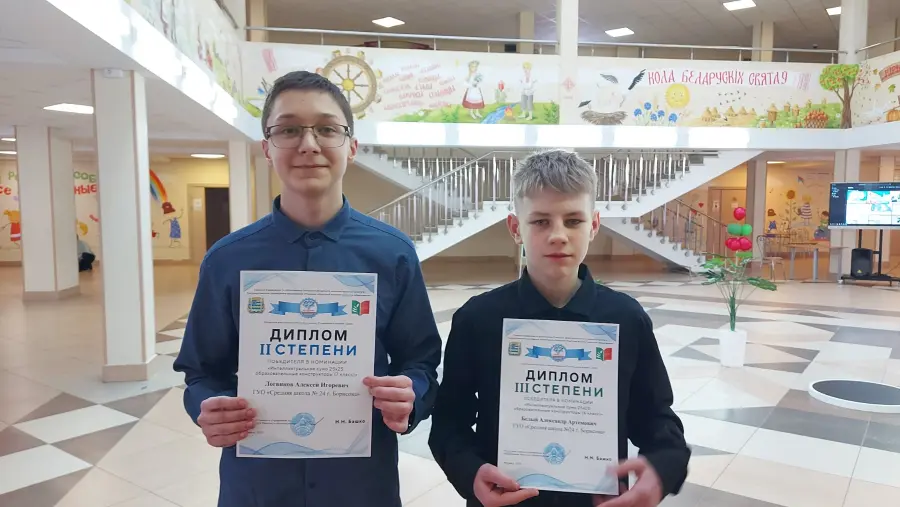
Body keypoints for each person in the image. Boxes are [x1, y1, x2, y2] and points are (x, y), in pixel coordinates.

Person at [173, 70, 443, 507]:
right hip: (258, 487)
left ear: (351, 146)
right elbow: (201, 372)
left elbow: (422, 361)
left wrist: (410, 394)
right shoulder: (227, 260)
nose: (309, 144)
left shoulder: (393, 254)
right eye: (289, 130)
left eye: (327, 129)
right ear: (267, 148)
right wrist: (208, 406)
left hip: (360, 487)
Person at [428, 149, 690, 507]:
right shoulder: (478, 319)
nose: (558, 235)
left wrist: (661, 470)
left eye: (573, 221)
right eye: (540, 221)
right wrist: (471, 472)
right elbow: (449, 423)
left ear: (594, 225)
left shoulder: (626, 319)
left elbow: (658, 419)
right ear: (515, 228)